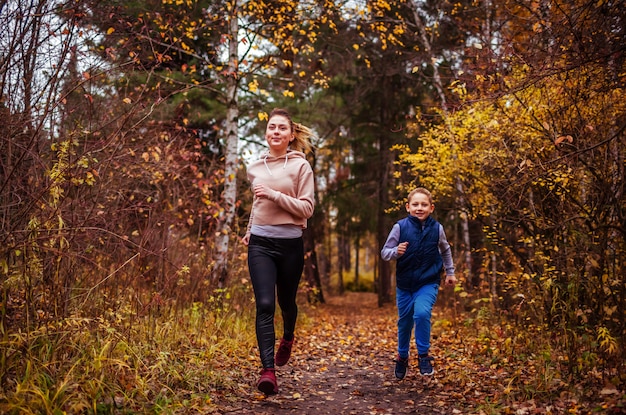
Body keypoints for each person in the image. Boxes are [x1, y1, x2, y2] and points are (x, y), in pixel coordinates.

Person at [242, 108, 315, 395]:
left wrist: (274, 194)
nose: (275, 132)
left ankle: (287, 337)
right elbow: (257, 204)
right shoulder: (254, 167)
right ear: (266, 133)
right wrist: (250, 228)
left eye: (281, 128)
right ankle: (268, 370)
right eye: (271, 127)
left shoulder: (301, 167)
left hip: (290, 243)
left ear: (291, 135)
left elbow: (306, 209)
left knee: (286, 302)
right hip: (260, 242)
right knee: (263, 304)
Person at [380, 187, 456, 379]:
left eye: (424, 204)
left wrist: (450, 272)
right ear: (408, 207)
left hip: (428, 281)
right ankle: (402, 357)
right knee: (404, 322)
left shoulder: (437, 229)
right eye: (415, 204)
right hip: (405, 284)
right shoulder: (400, 227)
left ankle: (423, 356)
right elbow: (385, 252)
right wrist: (396, 251)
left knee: (422, 313)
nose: (419, 208)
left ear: (431, 207)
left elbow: (445, 250)